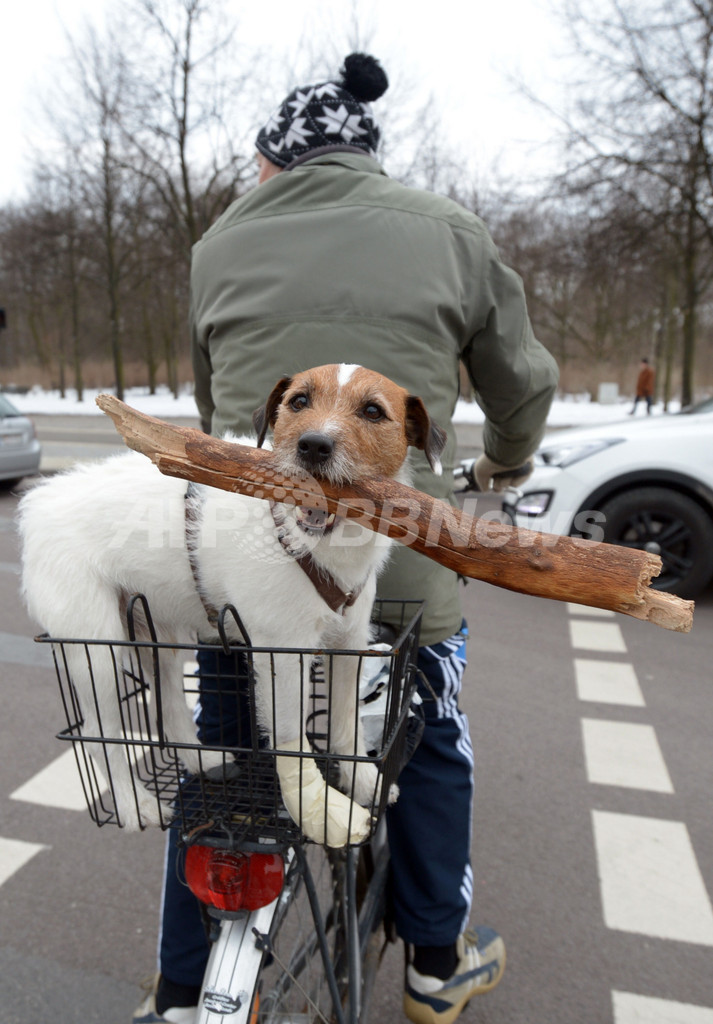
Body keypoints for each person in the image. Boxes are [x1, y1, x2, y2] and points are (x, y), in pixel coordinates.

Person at [133, 52, 559, 1024]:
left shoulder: (215, 245)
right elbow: (522, 384)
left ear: (274, 163)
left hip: (250, 562)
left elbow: (225, 417)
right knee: (431, 737)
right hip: (396, 555)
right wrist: (499, 465)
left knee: (229, 752)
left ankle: (180, 987)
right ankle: (434, 965)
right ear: (365, 158)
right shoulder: (451, 231)